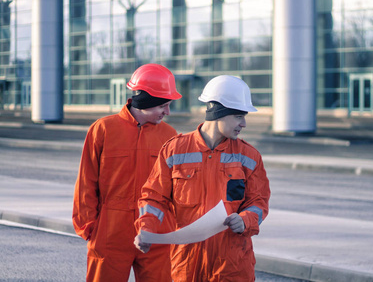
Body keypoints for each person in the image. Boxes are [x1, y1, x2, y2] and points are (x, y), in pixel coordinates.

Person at [134, 75, 271, 281]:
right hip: (188, 264)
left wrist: (245, 220)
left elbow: (259, 202)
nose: (244, 123)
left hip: (232, 265)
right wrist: (147, 229)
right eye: (238, 116)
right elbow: (153, 198)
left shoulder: (249, 157)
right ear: (219, 112)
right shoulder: (174, 150)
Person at [72, 63, 182, 282]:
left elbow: (176, 188)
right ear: (146, 100)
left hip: (157, 233)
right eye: (163, 105)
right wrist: (90, 228)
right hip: (110, 232)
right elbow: (86, 181)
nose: (167, 112)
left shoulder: (170, 135)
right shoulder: (103, 129)